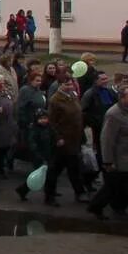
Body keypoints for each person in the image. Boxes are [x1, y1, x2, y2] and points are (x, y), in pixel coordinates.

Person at [87, 86, 128, 229]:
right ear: (122, 98)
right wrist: (108, 161)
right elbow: (107, 140)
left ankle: (96, 206)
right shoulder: (114, 114)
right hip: (120, 159)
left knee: (112, 188)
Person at [44, 77, 86, 206]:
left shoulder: (72, 96)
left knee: (74, 167)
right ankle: (49, 196)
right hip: (62, 140)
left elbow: (78, 115)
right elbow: (52, 122)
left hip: (74, 138)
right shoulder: (55, 100)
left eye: (71, 84)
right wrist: (58, 138)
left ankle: (79, 192)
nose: (70, 86)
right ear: (60, 85)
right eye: (67, 84)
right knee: (55, 169)